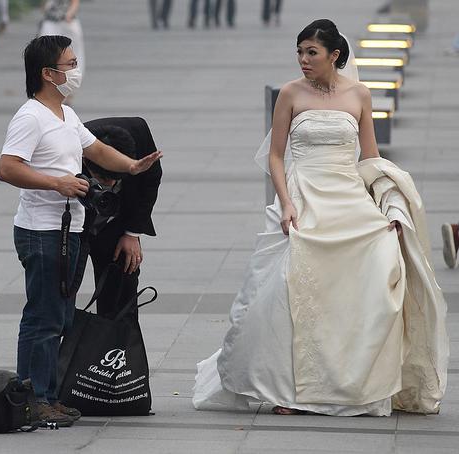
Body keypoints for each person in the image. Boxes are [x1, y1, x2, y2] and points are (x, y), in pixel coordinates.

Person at [192, 19, 448, 417]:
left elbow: (371, 157)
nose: (303, 60)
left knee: (377, 272)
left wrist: (389, 204)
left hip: (348, 196)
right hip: (304, 193)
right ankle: (288, 390)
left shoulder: (360, 94)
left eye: (312, 52)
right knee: (289, 287)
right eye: (299, 52)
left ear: (335, 55)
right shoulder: (291, 94)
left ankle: (353, 384)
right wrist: (287, 201)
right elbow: (276, 155)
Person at [0, 35, 162, 427]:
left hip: (67, 229)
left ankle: (48, 394)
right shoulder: (31, 116)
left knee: (63, 316)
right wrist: (57, 184)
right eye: (70, 65)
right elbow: (7, 168)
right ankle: (33, 396)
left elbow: (96, 151)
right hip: (41, 231)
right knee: (44, 316)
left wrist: (132, 166)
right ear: (47, 74)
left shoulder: (67, 116)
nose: (76, 71)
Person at [79, 119, 162, 321]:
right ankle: (70, 347)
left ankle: (118, 347)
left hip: (118, 222)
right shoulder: (71, 141)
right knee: (62, 292)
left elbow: (151, 180)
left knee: (122, 286)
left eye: (117, 178)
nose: (111, 184)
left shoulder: (138, 133)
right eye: (102, 178)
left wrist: (132, 233)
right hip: (75, 223)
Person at [39, 1, 86, 79]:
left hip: (68, 22)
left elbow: (75, 2)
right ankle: (48, 77)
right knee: (46, 50)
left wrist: (70, 13)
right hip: (50, 21)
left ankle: (73, 78)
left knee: (73, 51)